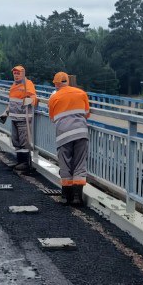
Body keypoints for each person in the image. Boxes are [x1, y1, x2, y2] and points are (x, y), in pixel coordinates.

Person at [46, 71, 90, 206]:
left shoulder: (54, 98)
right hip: (81, 132)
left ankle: (65, 196)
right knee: (79, 163)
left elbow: (52, 118)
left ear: (56, 84)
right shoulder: (81, 93)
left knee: (65, 163)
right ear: (68, 81)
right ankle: (77, 197)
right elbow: (87, 114)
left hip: (64, 134)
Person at [0, 65, 38, 173]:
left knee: (24, 141)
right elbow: (12, 102)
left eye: (18, 73)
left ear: (23, 74)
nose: (16, 75)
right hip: (15, 117)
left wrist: (25, 103)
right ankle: (20, 162)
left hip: (23, 118)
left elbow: (34, 99)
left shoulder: (27, 84)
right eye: (15, 73)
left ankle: (25, 163)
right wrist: (5, 113)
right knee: (16, 140)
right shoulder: (14, 85)